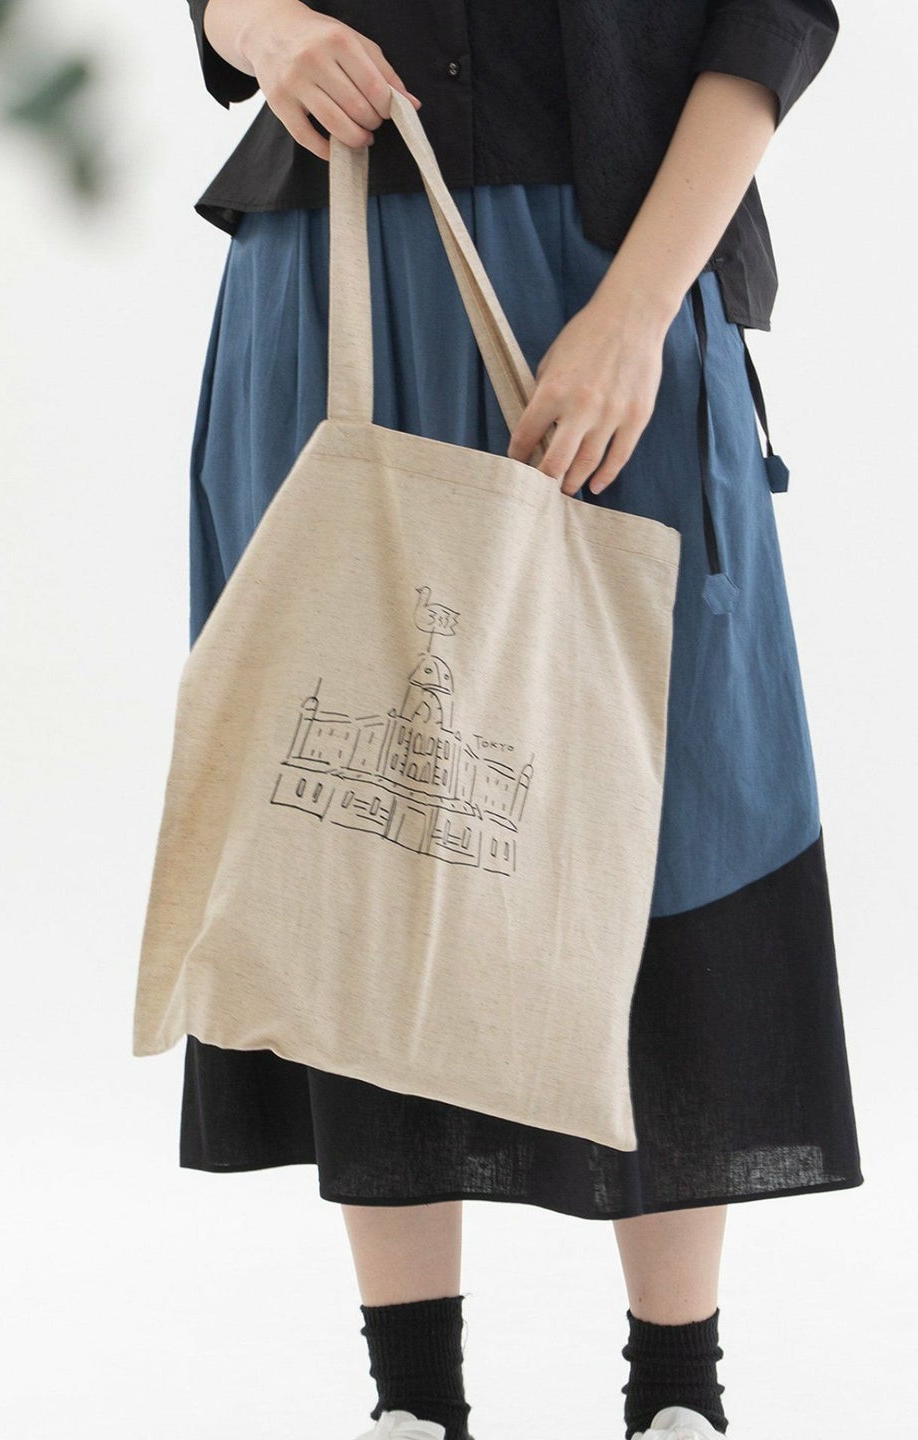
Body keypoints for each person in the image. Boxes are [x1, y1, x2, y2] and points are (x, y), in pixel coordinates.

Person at [174, 3, 863, 1437]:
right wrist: (258, 26)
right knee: (357, 809)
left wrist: (636, 315)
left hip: (618, 267)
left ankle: (677, 1392)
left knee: (670, 798)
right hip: (340, 260)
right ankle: (412, 1402)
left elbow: (776, 13)